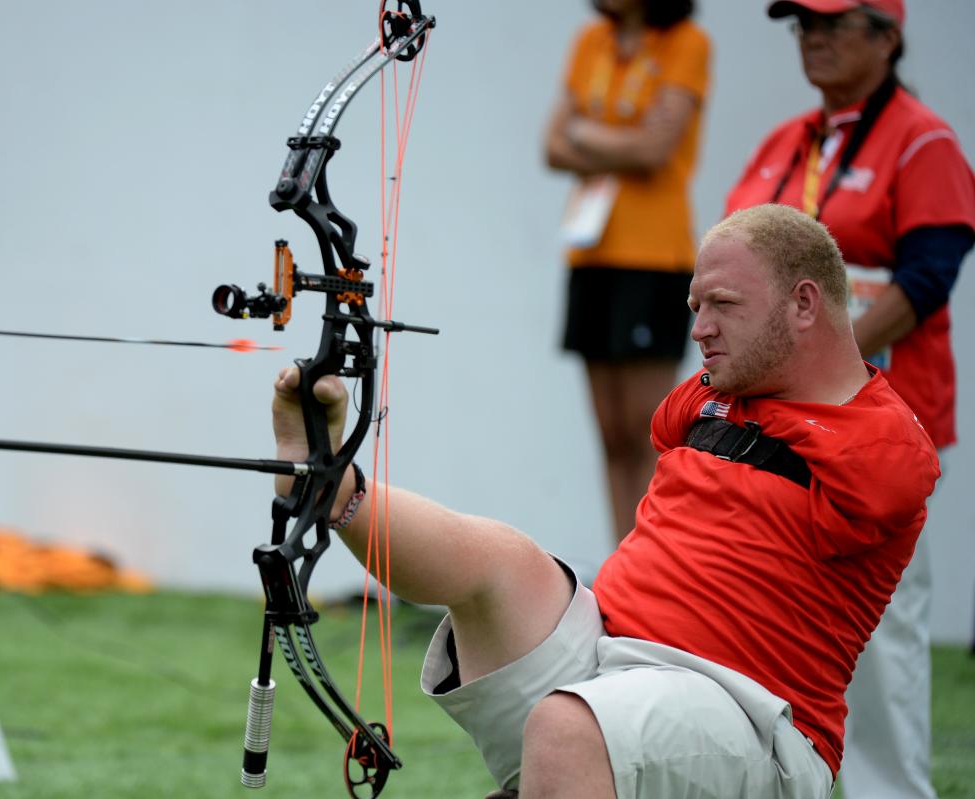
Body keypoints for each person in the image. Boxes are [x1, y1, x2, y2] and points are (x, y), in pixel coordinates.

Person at [272, 204, 939, 797]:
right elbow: (672, 429)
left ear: (803, 304)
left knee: (569, 727)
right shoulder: (713, 395)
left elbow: (888, 489)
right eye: (694, 307)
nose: (700, 329)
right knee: (501, 563)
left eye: (723, 305)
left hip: (753, 719)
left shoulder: (883, 436)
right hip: (608, 661)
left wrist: (766, 419)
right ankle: (333, 485)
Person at [724, 3, 975, 796]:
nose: (814, 38)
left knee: (881, 625)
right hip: (776, 421)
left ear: (887, 36)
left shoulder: (922, 138)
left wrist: (830, 363)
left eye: (833, 23)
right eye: (802, 25)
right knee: (759, 612)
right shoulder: (784, 142)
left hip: (879, 423)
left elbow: (928, 278)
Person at [544, 0, 710, 544]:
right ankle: (623, 563)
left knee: (648, 432)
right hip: (591, 255)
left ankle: (653, 568)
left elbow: (655, 151)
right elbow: (551, 145)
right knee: (612, 434)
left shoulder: (686, 42)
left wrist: (586, 135)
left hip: (653, 258)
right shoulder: (590, 40)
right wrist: (620, 140)